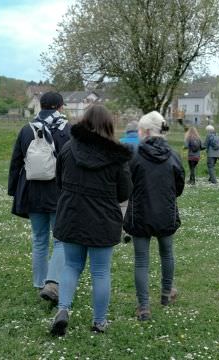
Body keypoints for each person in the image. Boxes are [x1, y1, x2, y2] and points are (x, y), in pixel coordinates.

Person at [50, 105, 132, 336]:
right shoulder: (117, 157)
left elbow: (60, 181)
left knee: (71, 265)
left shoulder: (68, 148)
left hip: (71, 215)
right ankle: (99, 322)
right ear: (109, 125)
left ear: (84, 122)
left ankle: (63, 308)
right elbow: (124, 193)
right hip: (102, 220)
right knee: (100, 271)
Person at [8, 92, 71, 304]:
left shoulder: (27, 129)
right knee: (61, 240)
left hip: (32, 191)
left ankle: (39, 282)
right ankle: (52, 282)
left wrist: (13, 191)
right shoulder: (67, 129)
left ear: (40, 106)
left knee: (39, 239)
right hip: (59, 192)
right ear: (60, 107)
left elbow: (16, 162)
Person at [123, 111, 185, 321]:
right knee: (167, 254)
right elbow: (179, 186)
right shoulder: (174, 155)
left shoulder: (134, 155)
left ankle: (144, 307)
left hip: (140, 213)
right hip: (165, 213)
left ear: (147, 131)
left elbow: (126, 184)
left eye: (140, 130)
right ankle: (166, 294)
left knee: (142, 261)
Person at [119, 121, 139, 242]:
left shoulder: (120, 142)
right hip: (139, 177)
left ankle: (123, 229)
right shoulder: (143, 142)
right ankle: (137, 227)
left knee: (123, 204)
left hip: (124, 177)